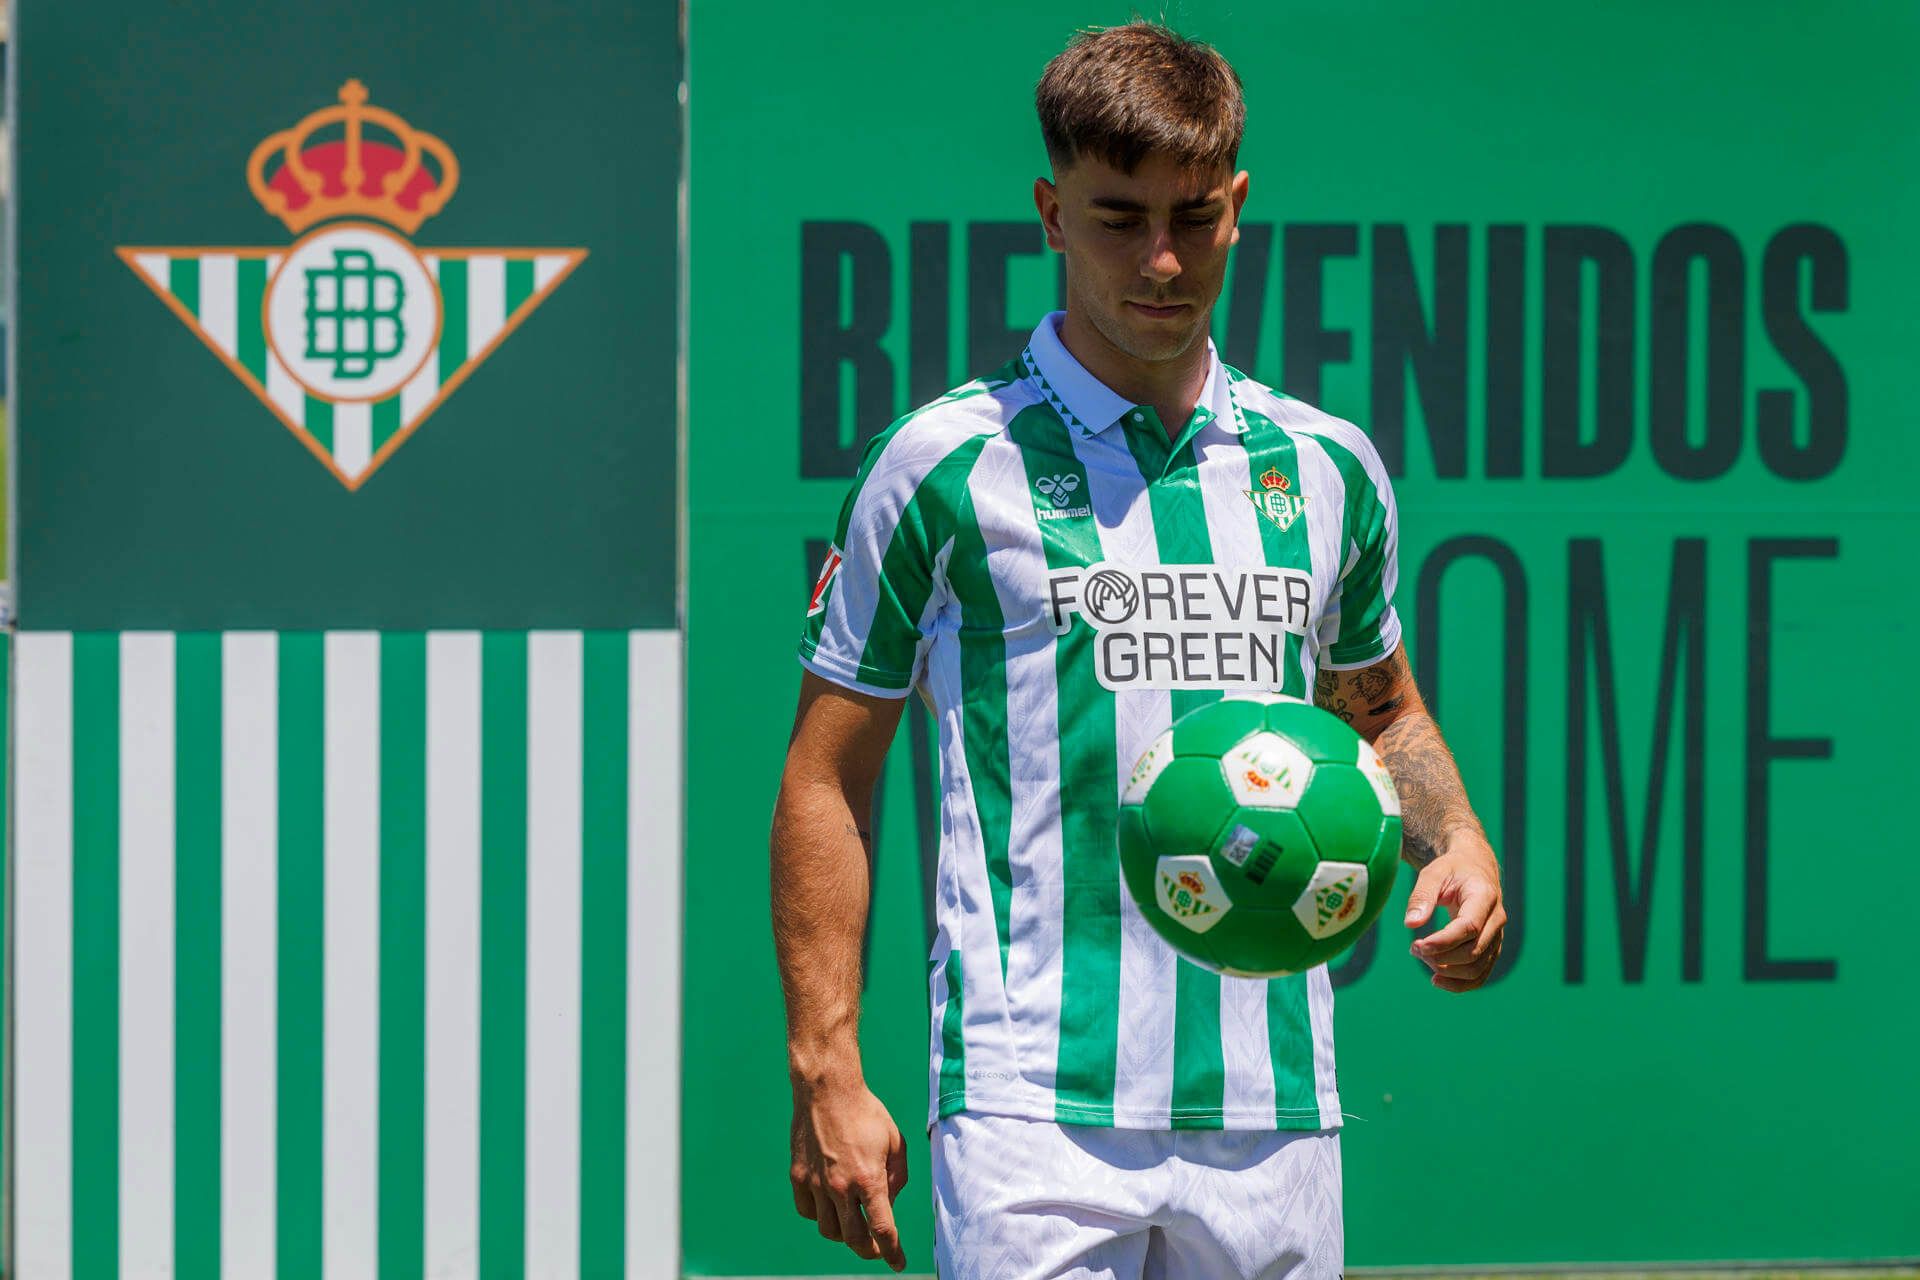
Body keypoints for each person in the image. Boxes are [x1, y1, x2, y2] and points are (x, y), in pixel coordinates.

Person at [771, 20, 1506, 1279]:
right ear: (1052, 213)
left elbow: (1378, 711)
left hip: (1274, 1102)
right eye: (1119, 218)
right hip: (1028, 1103)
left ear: (1238, 206)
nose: (1163, 260)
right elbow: (828, 773)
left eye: (1196, 215)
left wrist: (1461, 836)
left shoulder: (1326, 466)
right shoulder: (944, 463)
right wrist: (826, 1066)